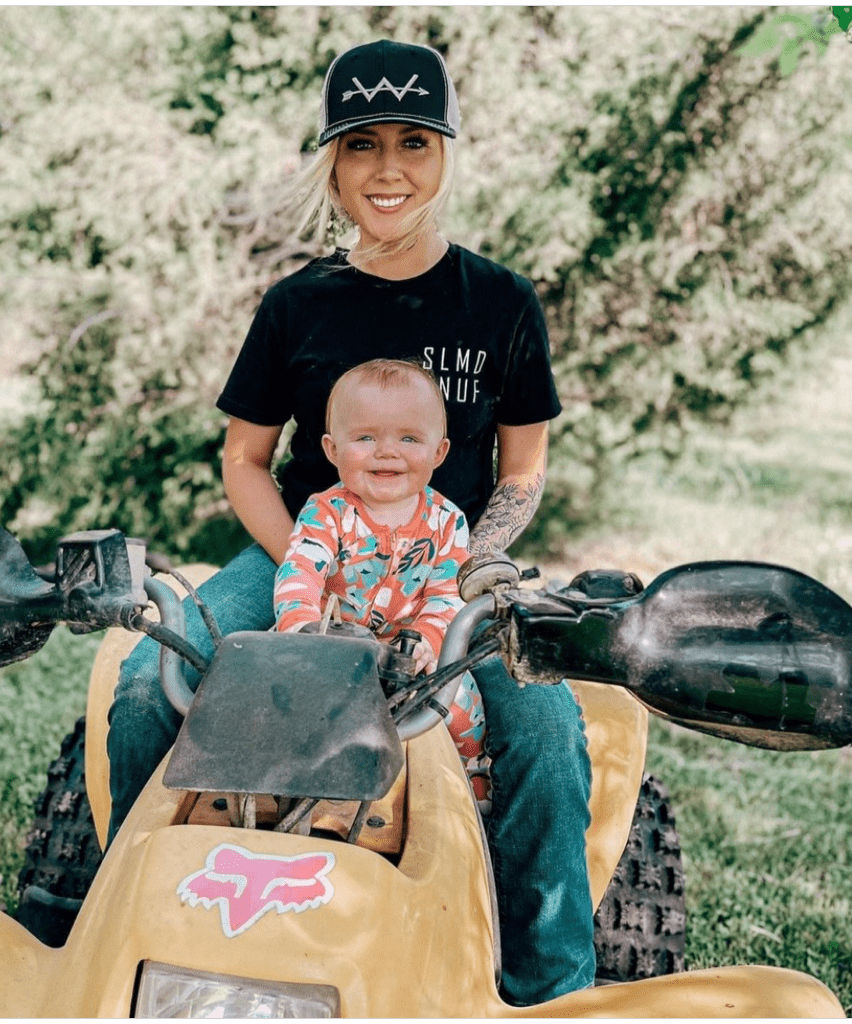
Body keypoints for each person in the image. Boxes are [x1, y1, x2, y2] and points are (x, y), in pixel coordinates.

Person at [107, 39, 593, 1005]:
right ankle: (108, 922)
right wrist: (317, 572)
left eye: (414, 141)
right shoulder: (298, 305)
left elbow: (524, 468)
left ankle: (547, 980)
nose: (388, 170)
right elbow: (244, 462)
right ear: (330, 161)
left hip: (454, 563)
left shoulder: (500, 302)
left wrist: (470, 570)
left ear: (447, 153)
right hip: (305, 545)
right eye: (362, 144)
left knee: (547, 725)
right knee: (142, 691)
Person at [273, 357, 488, 788]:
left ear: (438, 451)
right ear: (332, 449)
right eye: (366, 437)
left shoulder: (448, 522)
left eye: (409, 438)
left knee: (461, 703)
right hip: (331, 650)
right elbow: (299, 572)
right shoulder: (326, 512)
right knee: (274, 699)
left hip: (410, 656)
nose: (386, 451)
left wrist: (429, 642)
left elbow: (447, 596)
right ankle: (283, 783)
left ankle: (468, 783)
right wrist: (301, 627)